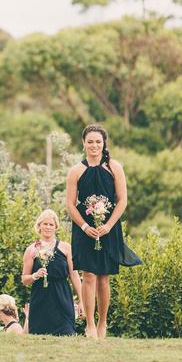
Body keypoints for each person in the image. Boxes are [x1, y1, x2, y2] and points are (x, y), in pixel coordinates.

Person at [66, 123, 141, 340]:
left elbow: (122, 199)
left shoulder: (114, 167)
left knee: (104, 277)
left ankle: (102, 323)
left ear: (103, 143)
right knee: (88, 274)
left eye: (98, 141)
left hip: (109, 228)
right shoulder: (76, 171)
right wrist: (85, 226)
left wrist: (108, 225)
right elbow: (70, 204)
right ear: (83, 143)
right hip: (85, 229)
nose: (94, 145)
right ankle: (89, 325)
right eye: (90, 141)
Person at [22, 209, 83, 336]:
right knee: (38, 337)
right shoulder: (31, 249)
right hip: (40, 298)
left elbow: (74, 276)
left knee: (67, 334)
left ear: (56, 227)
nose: (48, 227)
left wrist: (82, 301)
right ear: (39, 226)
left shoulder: (66, 248)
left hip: (62, 297)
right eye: (45, 224)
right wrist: (35, 275)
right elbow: (24, 279)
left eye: (51, 224)